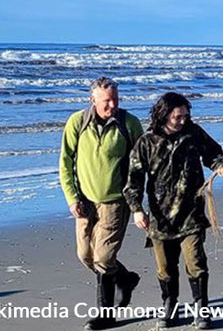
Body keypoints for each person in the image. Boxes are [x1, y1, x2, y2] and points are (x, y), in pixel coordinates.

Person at [124, 92, 223, 330]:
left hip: (191, 212)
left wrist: (220, 165)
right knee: (165, 268)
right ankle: (170, 306)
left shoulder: (193, 133)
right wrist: (137, 210)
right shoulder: (147, 142)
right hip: (160, 217)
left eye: (186, 116)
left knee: (196, 261)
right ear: (164, 115)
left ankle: (201, 309)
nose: (183, 120)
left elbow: (213, 152)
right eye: (178, 117)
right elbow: (134, 180)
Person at [59, 77, 145, 331]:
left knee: (104, 258)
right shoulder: (77, 122)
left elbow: (141, 165)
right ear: (93, 100)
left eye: (116, 99)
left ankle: (106, 315)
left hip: (116, 202)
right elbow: (65, 162)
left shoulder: (129, 123)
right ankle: (125, 279)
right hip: (85, 202)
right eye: (107, 100)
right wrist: (72, 198)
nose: (112, 105)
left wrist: (137, 203)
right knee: (85, 255)